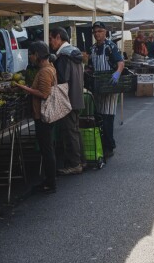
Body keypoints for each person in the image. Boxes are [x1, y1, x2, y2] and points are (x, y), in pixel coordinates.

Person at [16, 41, 58, 194]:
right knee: (48, 148)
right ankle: (49, 180)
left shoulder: (45, 71)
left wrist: (25, 88)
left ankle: (50, 182)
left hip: (43, 115)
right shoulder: (50, 68)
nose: (30, 57)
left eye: (31, 54)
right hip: (46, 114)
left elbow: (44, 94)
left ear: (38, 55)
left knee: (46, 149)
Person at [85, 22, 124, 156]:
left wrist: (117, 73)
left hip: (110, 85)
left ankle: (109, 146)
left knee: (108, 116)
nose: (97, 34)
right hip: (98, 86)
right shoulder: (93, 48)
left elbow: (120, 63)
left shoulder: (111, 46)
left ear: (105, 32)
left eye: (100, 31)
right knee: (100, 116)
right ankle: (103, 143)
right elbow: (90, 65)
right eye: (95, 32)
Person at [50, 28, 85, 175]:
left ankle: (75, 164)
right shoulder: (74, 52)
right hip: (77, 96)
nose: (51, 43)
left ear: (58, 37)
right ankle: (81, 160)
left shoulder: (64, 56)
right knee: (74, 130)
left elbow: (63, 79)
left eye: (51, 39)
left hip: (67, 99)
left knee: (70, 132)